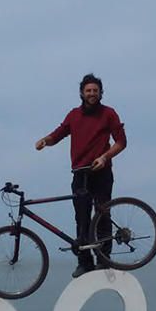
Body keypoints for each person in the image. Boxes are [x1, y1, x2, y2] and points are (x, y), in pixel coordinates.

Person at [35, 73, 126, 277]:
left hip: (101, 171)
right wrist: (45, 141)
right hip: (79, 174)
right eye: (88, 91)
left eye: (95, 90)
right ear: (82, 93)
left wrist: (104, 157)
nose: (92, 94)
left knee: (102, 214)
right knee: (82, 218)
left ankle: (104, 260)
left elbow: (121, 142)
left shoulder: (109, 114)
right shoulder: (74, 115)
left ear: (101, 93)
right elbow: (59, 133)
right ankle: (84, 263)